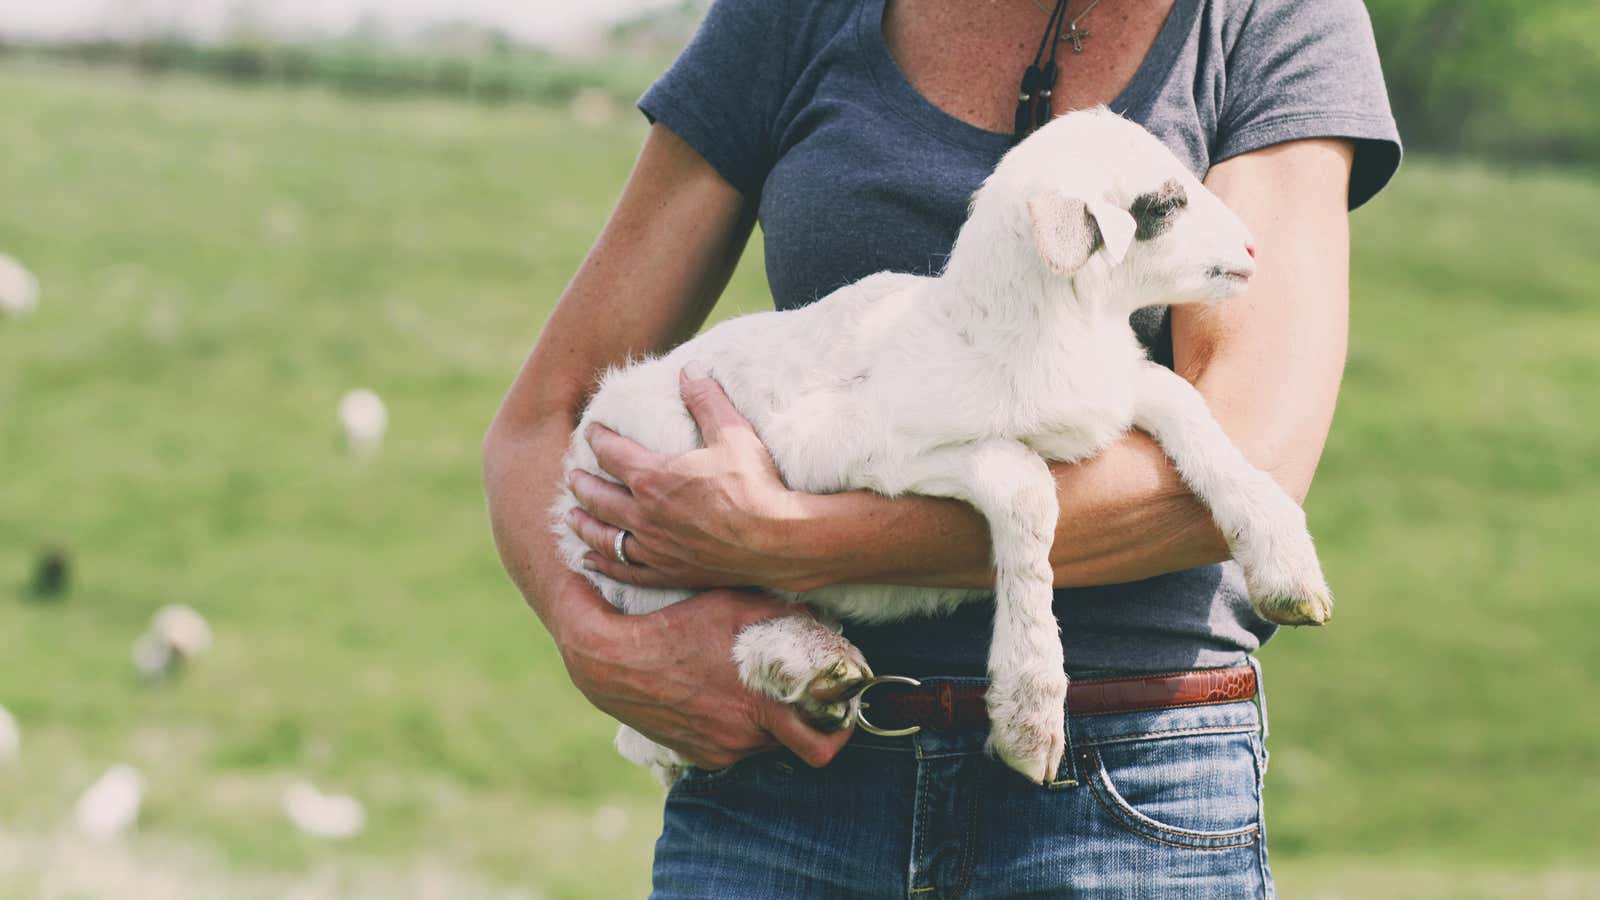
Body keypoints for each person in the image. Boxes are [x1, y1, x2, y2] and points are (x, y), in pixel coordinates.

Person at [483, 0, 1400, 895]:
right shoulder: (792, 15)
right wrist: (598, 639)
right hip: (783, 784)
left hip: (1127, 785)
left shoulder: (1268, 15)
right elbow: (542, 416)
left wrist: (800, 537)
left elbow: (1255, 445)